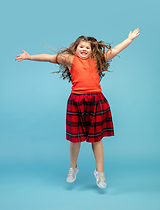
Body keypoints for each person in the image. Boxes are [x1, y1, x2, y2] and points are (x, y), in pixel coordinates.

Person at [15, 28, 140, 189]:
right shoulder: (70, 59)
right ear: (75, 48)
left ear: (92, 50)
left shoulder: (98, 59)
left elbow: (115, 49)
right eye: (81, 46)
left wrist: (129, 39)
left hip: (96, 101)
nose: (84, 49)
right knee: (75, 138)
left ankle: (99, 172)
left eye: (87, 47)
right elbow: (49, 58)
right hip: (76, 101)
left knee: (96, 138)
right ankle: (73, 167)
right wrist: (30, 57)